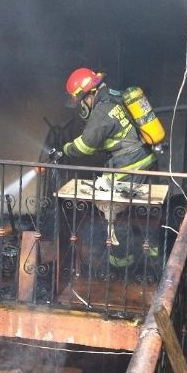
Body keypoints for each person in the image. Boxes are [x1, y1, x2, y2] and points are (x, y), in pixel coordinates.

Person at [62, 67, 159, 268]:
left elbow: (85, 146)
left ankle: (121, 268)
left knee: (117, 217)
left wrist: (66, 149)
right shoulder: (116, 96)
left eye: (80, 101)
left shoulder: (101, 110)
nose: (81, 106)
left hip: (128, 167)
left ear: (87, 95)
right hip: (147, 161)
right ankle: (155, 262)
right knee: (147, 213)